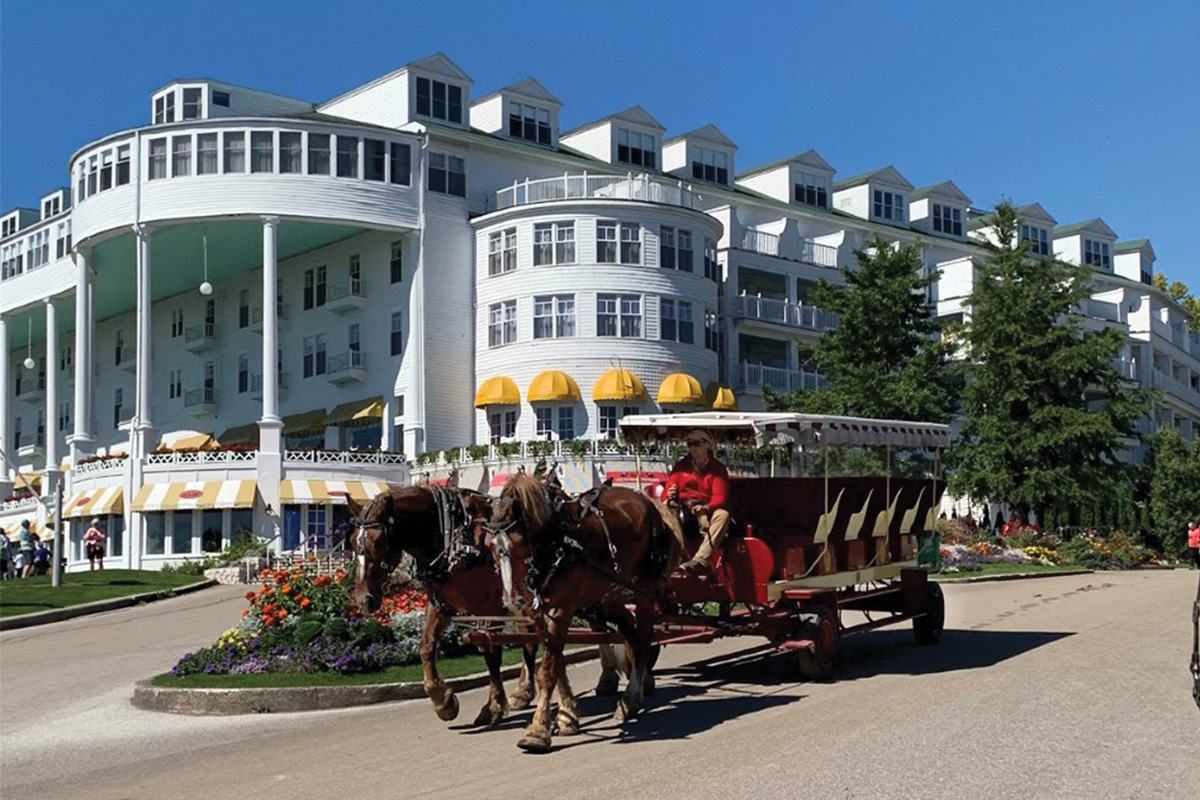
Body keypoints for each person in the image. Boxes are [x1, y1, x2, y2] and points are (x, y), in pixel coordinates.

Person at [666, 429, 731, 574]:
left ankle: (701, 560)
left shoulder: (718, 469)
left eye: (696, 444)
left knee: (722, 515)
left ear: (707, 445)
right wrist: (670, 493)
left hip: (706, 509)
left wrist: (706, 507)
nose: (692, 448)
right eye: (689, 444)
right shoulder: (681, 466)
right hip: (682, 507)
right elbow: (668, 489)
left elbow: (720, 497)